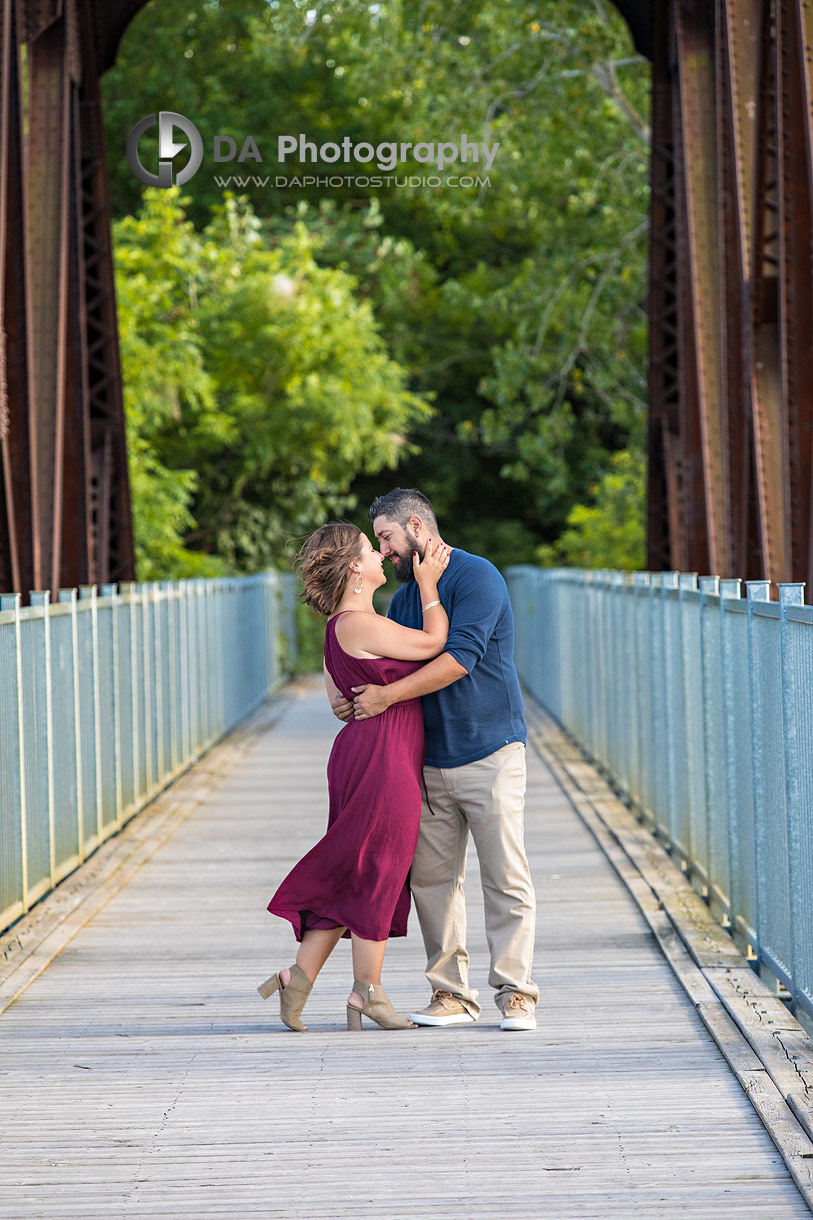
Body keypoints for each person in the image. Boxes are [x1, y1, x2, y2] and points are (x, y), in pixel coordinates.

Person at [331, 488, 538, 1031]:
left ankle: (517, 994)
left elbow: (458, 660)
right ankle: (451, 995)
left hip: (490, 748)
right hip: (425, 759)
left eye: (387, 538)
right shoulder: (403, 600)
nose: (385, 550)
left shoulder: (478, 578)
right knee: (434, 880)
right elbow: (365, 650)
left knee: (504, 875)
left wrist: (384, 698)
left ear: (417, 528)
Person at [259, 521, 450, 1032]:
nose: (381, 556)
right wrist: (428, 585)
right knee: (380, 865)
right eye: (372, 550)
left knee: (355, 867)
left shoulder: (340, 626)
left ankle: (297, 979)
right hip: (383, 757)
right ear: (354, 569)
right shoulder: (359, 622)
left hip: (363, 750)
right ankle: (368, 992)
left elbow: (338, 702)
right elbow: (436, 642)